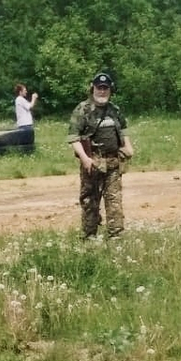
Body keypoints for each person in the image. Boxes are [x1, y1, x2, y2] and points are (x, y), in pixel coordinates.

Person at [67, 72, 135, 238]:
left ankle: (116, 236)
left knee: (114, 201)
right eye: (99, 88)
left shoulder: (114, 110)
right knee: (90, 201)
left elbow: (123, 129)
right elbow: (73, 138)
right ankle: (89, 236)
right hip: (93, 163)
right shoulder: (82, 110)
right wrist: (85, 158)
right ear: (93, 89)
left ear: (110, 90)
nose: (102, 91)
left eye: (105, 88)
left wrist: (128, 146)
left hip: (113, 162)